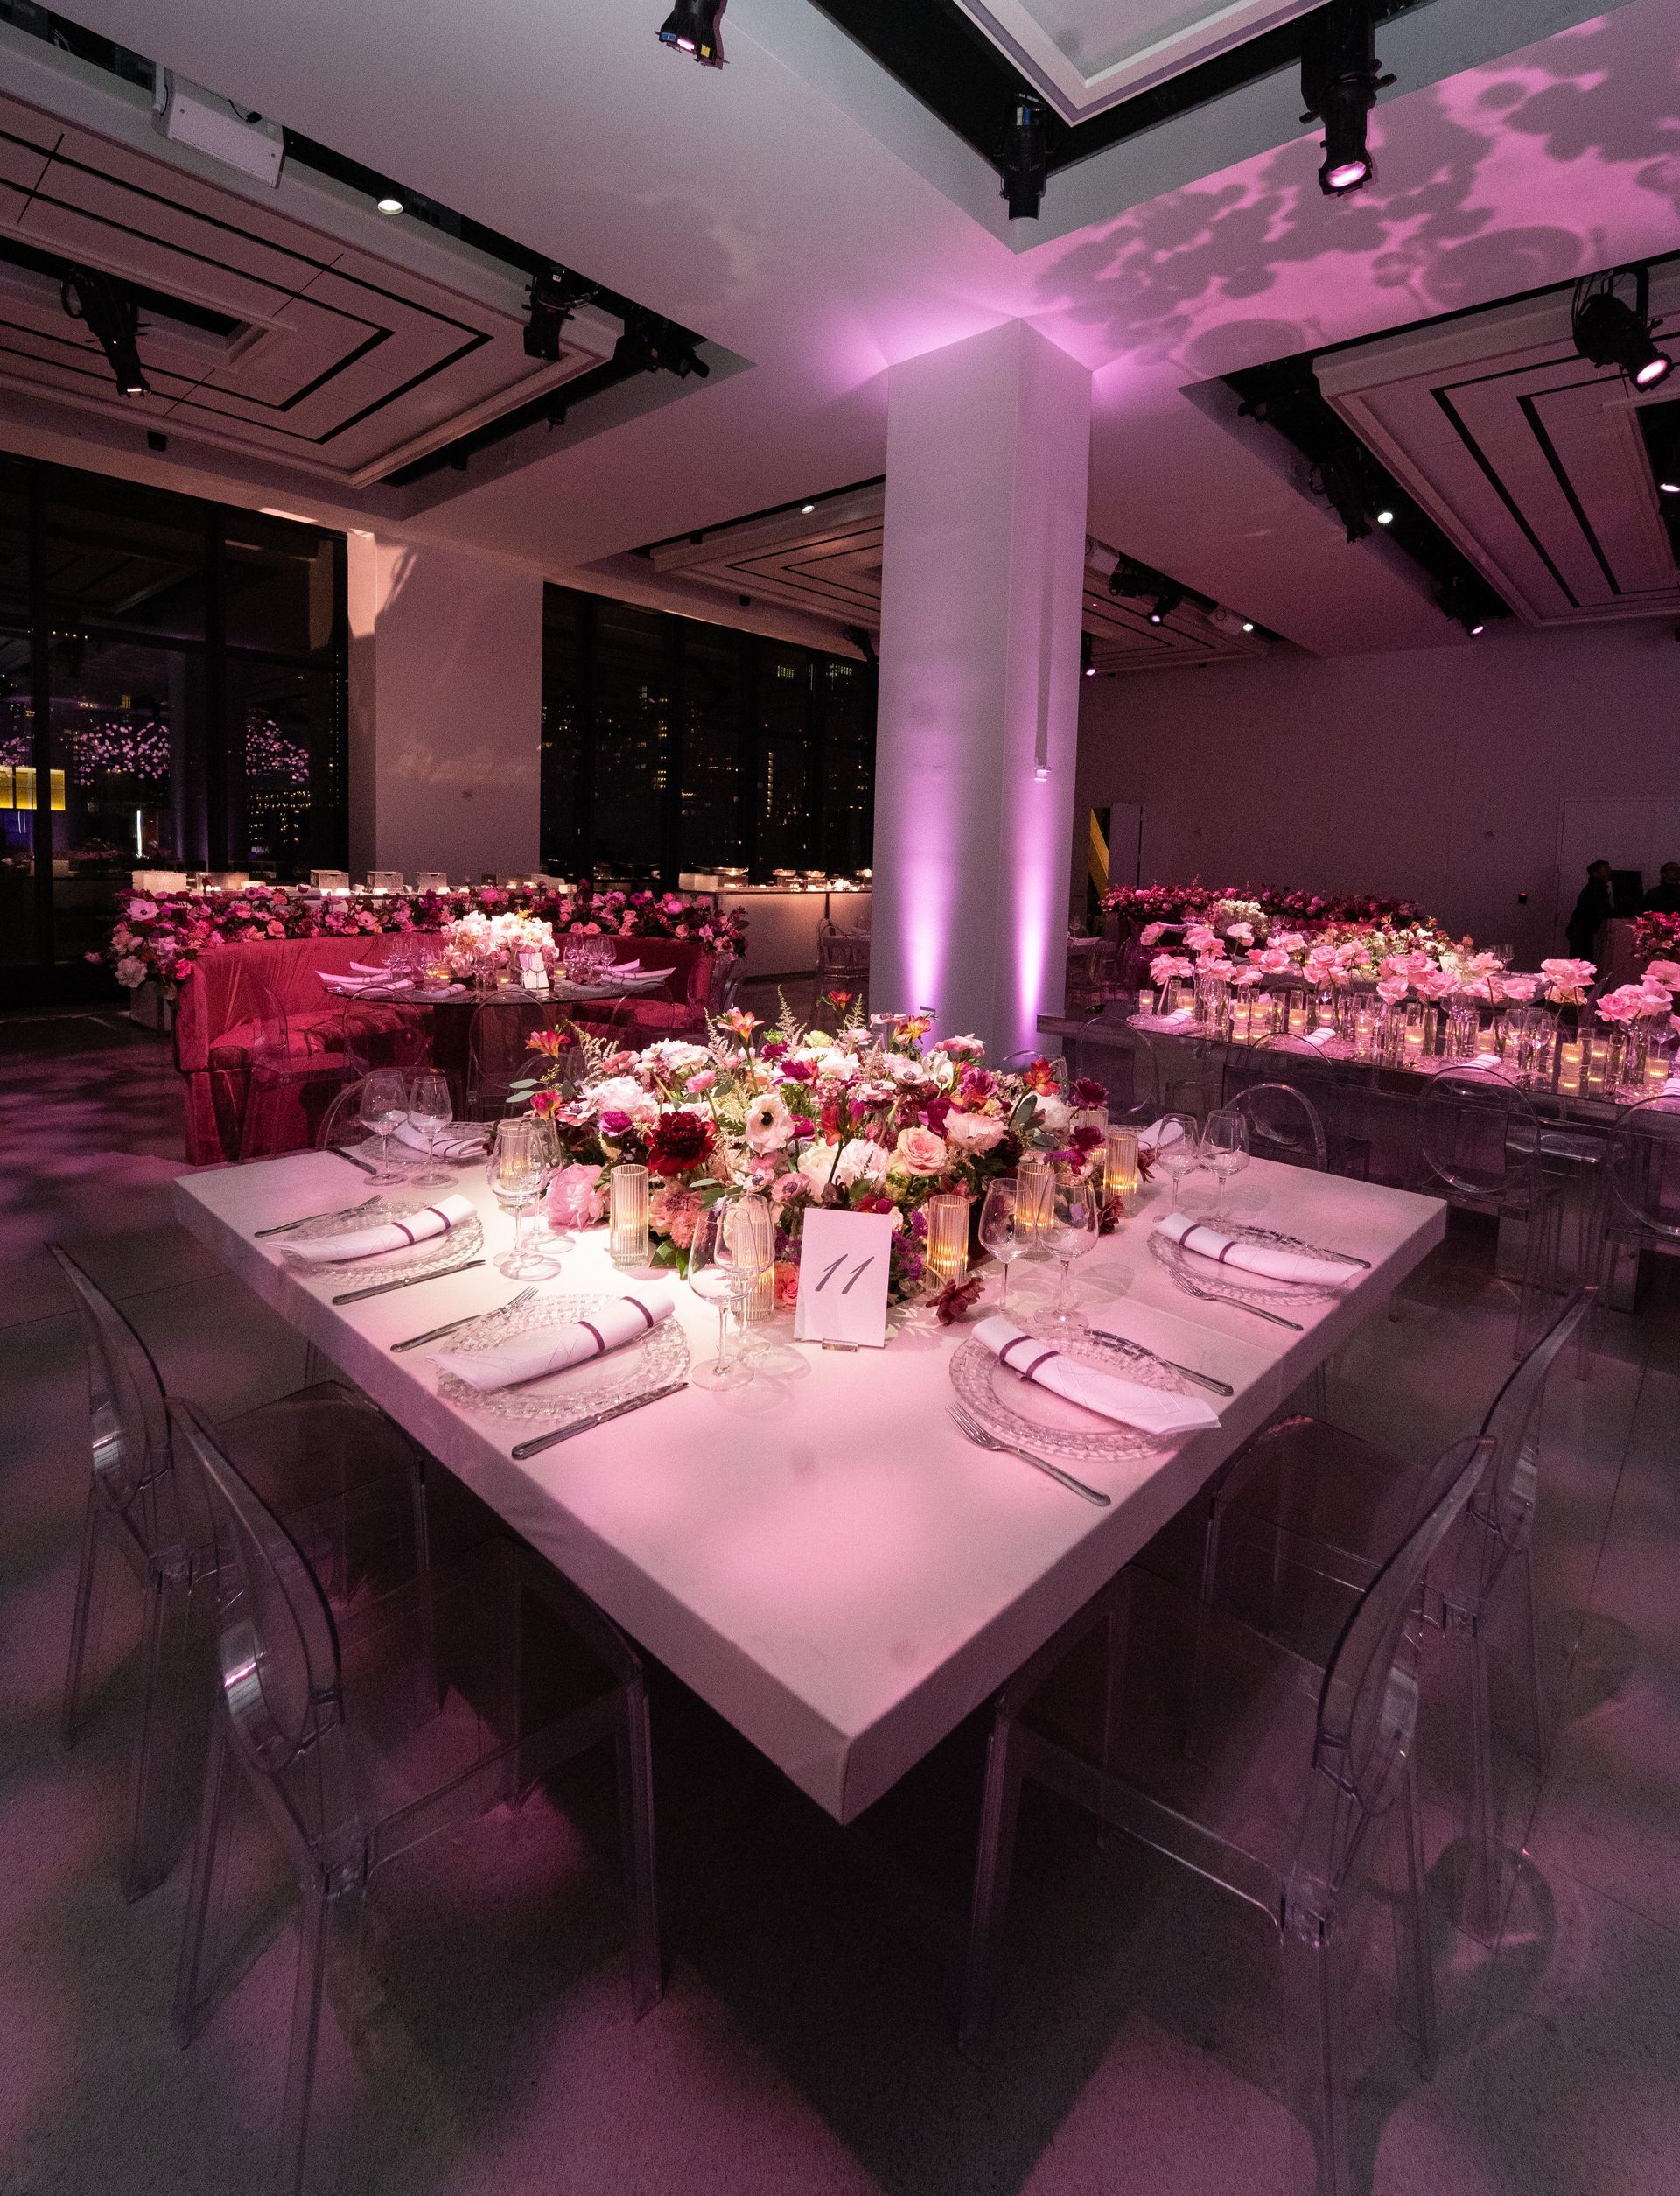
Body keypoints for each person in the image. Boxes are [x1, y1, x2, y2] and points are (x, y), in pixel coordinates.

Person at [1565, 859, 1616, 964]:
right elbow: (1603, 910)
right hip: (1581, 931)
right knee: (1582, 962)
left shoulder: (1595, 888)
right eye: (1605, 870)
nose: (1609, 872)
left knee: (1581, 961)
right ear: (1595, 873)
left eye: (1609, 869)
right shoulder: (1596, 889)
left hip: (1580, 930)